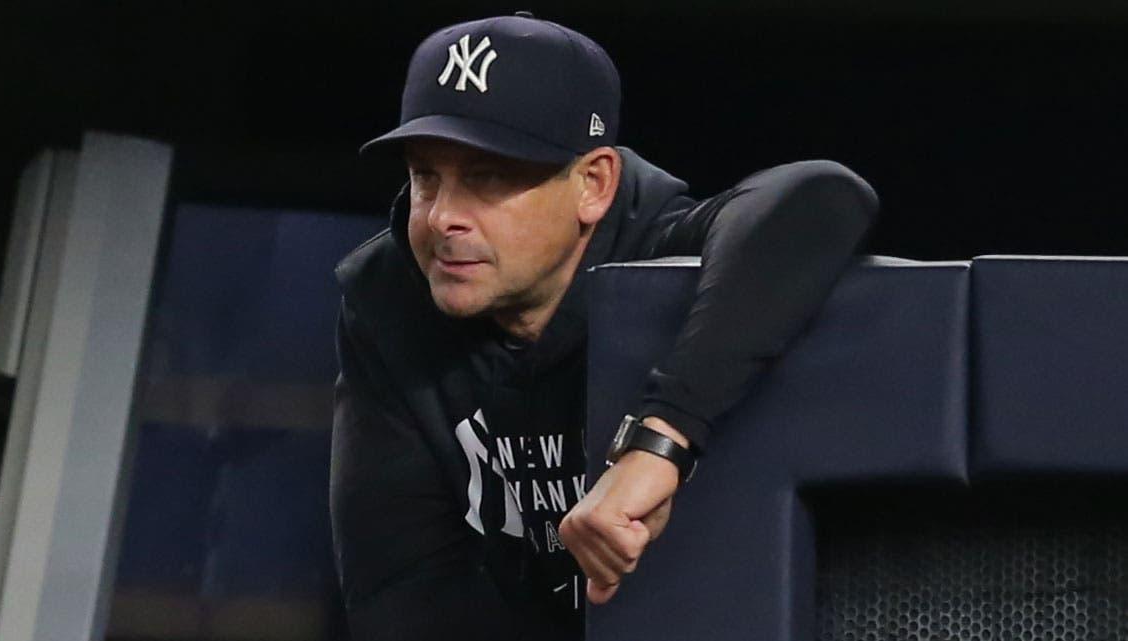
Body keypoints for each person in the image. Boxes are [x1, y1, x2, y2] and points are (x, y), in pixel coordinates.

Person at [330, 12, 878, 641]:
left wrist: (661, 440)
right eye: (426, 176)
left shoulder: (656, 253)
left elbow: (822, 195)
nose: (444, 216)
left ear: (593, 184)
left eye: (487, 178)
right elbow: (400, 594)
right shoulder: (389, 301)